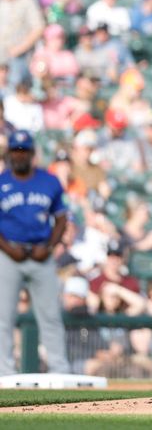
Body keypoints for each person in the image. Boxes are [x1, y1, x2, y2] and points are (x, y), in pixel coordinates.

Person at [0, 131, 70, 375]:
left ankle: (59, 370)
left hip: (42, 254)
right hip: (9, 254)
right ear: (9, 153)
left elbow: (61, 219)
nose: (20, 154)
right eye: (16, 150)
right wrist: (8, 248)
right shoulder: (1, 182)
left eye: (24, 150)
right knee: (3, 317)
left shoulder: (49, 181)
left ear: (32, 153)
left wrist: (49, 246)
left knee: (50, 315)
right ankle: (4, 373)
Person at [0, 0, 45, 86]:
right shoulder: (2, 1)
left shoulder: (26, 1)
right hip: (2, 54)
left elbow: (38, 28)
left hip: (19, 56)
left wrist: (19, 48)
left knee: (15, 86)